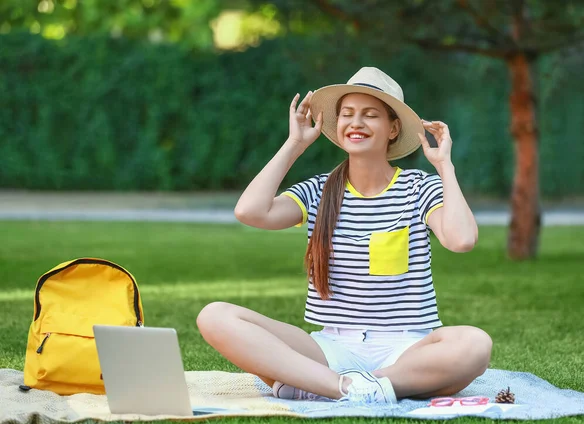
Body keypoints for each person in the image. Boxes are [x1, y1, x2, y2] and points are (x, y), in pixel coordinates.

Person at [197, 67, 492, 404]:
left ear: (393, 128)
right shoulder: (319, 190)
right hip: (330, 348)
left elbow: (461, 240)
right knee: (215, 316)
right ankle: (347, 389)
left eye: (370, 115)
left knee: (475, 344)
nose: (356, 123)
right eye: (347, 114)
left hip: (407, 349)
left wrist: (445, 167)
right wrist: (294, 145)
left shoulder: (420, 187)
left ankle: (326, 385)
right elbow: (249, 212)